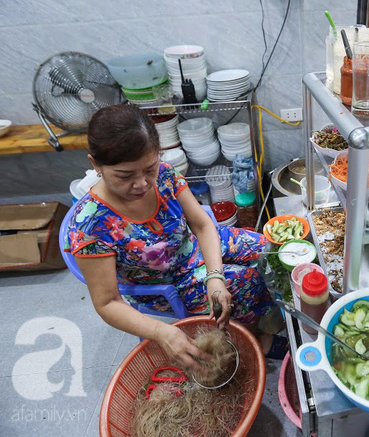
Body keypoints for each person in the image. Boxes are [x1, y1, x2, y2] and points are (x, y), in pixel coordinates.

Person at [64, 104, 287, 372]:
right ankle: (255, 337)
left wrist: (214, 276)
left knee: (270, 250)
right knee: (244, 281)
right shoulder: (90, 225)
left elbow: (202, 225)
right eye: (125, 176)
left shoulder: (166, 175)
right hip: (167, 281)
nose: (142, 184)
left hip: (192, 246)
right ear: (95, 164)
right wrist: (162, 332)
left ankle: (271, 314)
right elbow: (107, 303)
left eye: (149, 169)